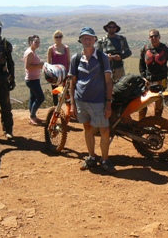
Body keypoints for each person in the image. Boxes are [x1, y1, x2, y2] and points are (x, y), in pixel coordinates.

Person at [69, 27, 116, 174]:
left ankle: (105, 159)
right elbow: (73, 81)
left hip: (98, 102)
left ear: (95, 39)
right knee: (87, 128)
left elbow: (109, 82)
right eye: (84, 38)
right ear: (81, 41)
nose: (87, 41)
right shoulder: (76, 59)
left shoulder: (102, 58)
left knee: (104, 130)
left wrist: (108, 103)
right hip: (81, 100)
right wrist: (72, 103)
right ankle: (91, 157)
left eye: (89, 38)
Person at [138, 29, 168, 119]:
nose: (154, 38)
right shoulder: (144, 49)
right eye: (151, 36)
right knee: (143, 104)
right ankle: (141, 125)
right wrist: (143, 77)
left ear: (159, 37)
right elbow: (141, 65)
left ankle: (158, 123)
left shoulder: (167, 49)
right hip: (147, 80)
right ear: (149, 38)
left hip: (161, 80)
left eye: (156, 36)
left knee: (159, 103)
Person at [24, 35, 45, 126]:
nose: (37, 44)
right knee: (41, 98)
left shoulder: (32, 52)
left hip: (34, 79)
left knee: (33, 98)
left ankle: (33, 116)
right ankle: (32, 116)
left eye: (38, 42)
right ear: (31, 42)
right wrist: (40, 65)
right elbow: (28, 67)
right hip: (32, 80)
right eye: (36, 42)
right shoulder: (30, 53)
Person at [47, 30, 71, 105]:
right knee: (55, 92)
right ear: (54, 38)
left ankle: (68, 109)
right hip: (55, 75)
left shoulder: (66, 48)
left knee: (67, 92)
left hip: (65, 74)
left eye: (60, 36)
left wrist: (70, 73)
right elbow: (49, 63)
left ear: (62, 37)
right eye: (56, 37)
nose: (58, 38)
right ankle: (56, 109)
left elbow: (69, 62)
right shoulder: (51, 49)